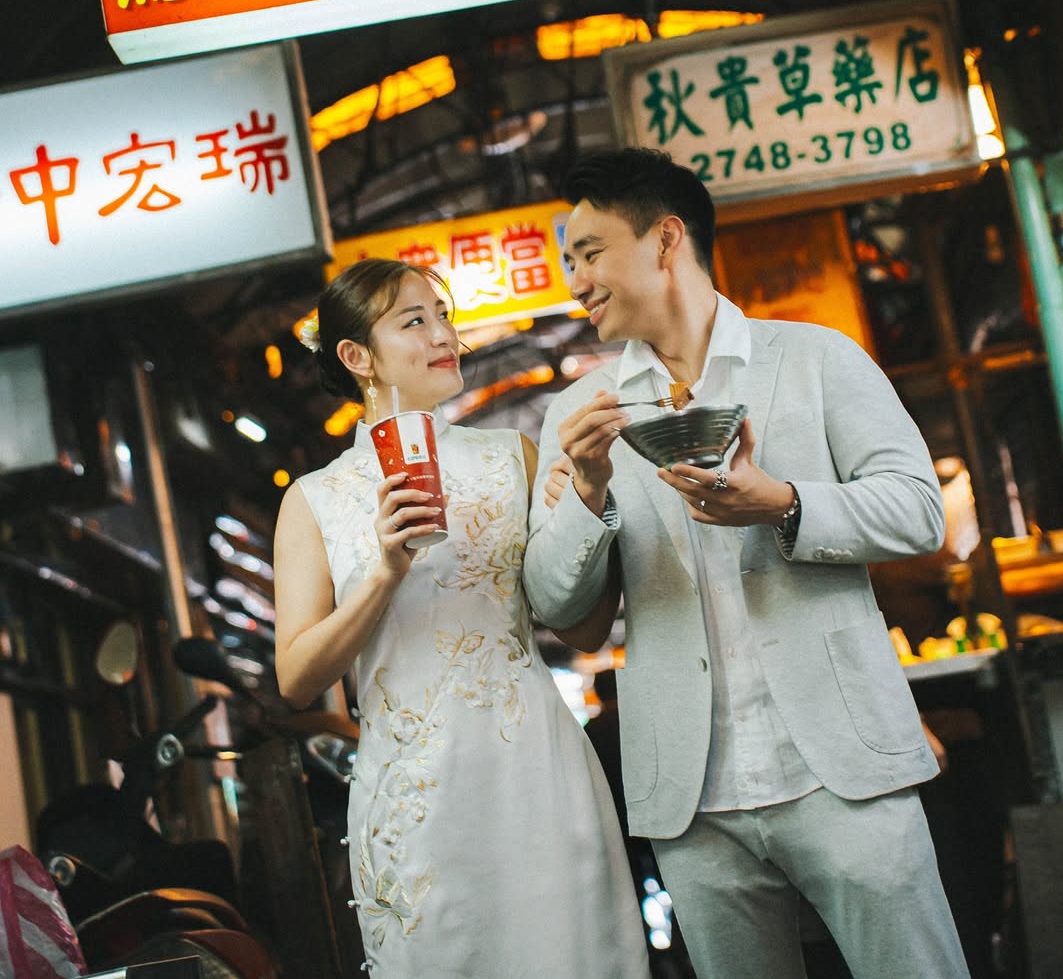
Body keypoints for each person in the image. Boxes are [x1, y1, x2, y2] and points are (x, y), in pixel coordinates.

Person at [523, 147, 971, 979]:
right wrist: (586, 491)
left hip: (844, 763)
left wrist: (783, 504)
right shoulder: (580, 415)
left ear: (665, 239)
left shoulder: (816, 357)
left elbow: (917, 508)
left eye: (588, 254)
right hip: (694, 797)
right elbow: (557, 606)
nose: (574, 281)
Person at [273, 258, 649, 979]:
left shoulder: (514, 456)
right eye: (415, 321)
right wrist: (385, 571)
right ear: (356, 356)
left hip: (535, 767)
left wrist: (589, 500)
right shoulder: (315, 499)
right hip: (414, 796)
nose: (445, 336)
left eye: (443, 316)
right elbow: (296, 678)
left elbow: (581, 628)